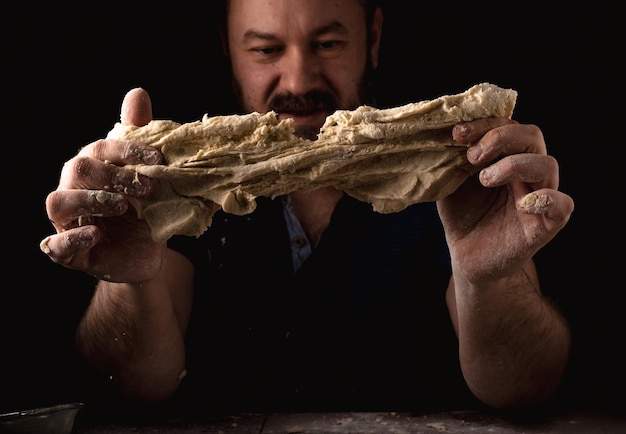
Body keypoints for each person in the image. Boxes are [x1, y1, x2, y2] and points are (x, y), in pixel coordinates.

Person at [41, 0, 574, 413]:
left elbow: (525, 388)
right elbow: (142, 383)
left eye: (327, 43)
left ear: (373, 37)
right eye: (266, 49)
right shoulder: (171, 186)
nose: (298, 81)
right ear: (228, 49)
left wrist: (489, 280)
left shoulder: (457, 178)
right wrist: (124, 280)